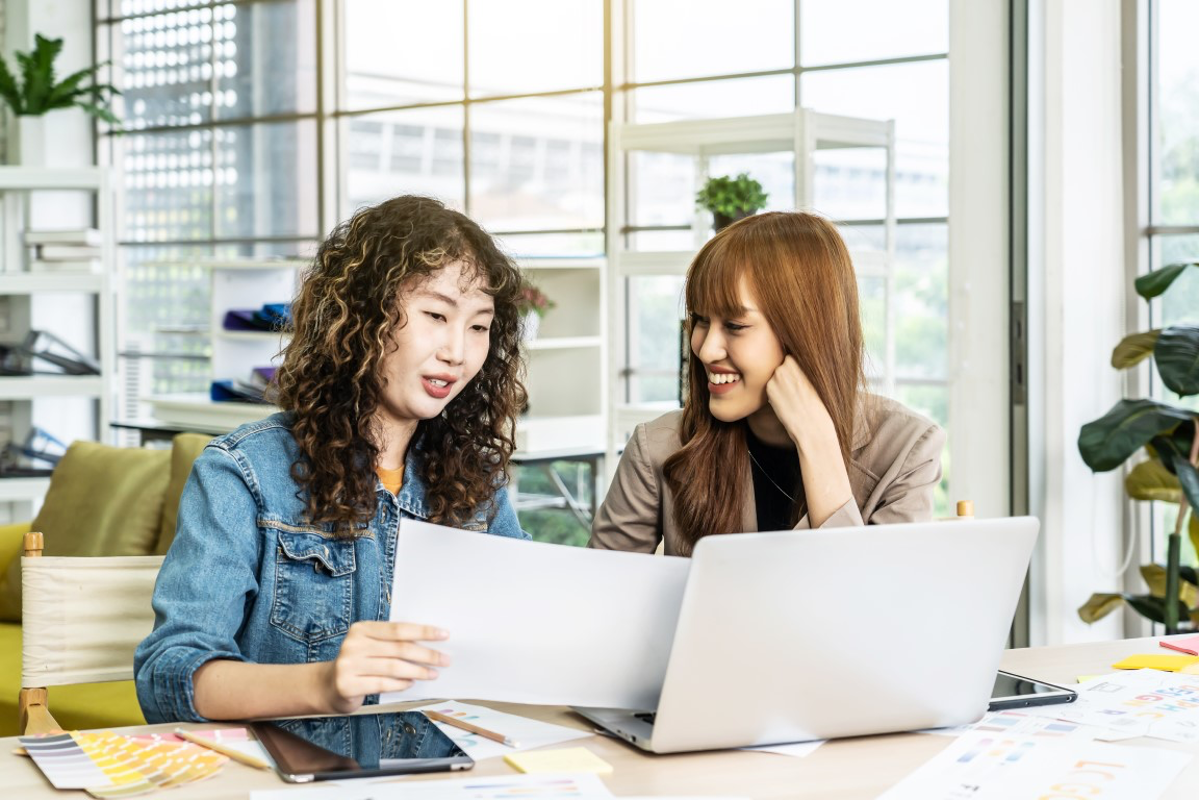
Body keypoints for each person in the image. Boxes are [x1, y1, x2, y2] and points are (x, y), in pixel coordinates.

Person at [135, 196, 529, 752]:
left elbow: (530, 636)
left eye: (480, 327)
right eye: (436, 316)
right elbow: (168, 677)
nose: (458, 353)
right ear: (363, 317)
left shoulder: (479, 483)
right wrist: (323, 684)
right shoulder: (244, 474)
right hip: (290, 781)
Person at [590, 211, 945, 557]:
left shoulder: (905, 449)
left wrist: (816, 442)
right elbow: (595, 596)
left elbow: (876, 607)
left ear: (805, 333)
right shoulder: (659, 447)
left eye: (735, 325)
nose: (705, 348)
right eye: (700, 320)